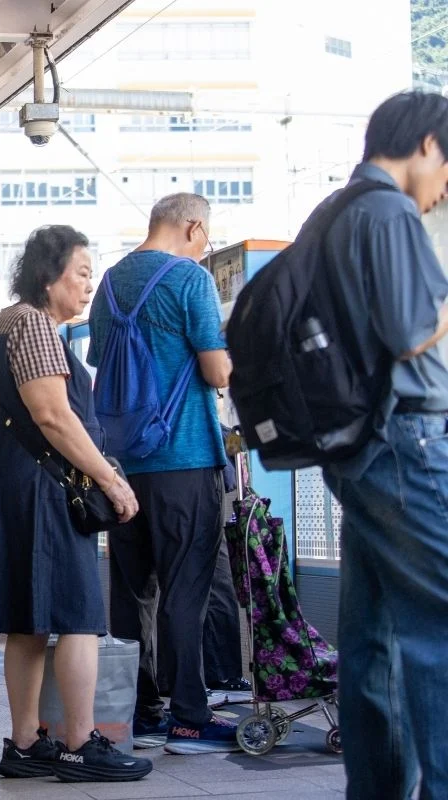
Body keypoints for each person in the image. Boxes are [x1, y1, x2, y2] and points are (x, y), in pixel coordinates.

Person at [0, 225, 151, 782]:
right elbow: (54, 417)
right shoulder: (38, 328)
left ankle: (25, 744)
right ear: (49, 279)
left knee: (28, 621)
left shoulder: (6, 325)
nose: (88, 284)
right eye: (82, 273)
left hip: (14, 479)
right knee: (78, 616)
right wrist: (113, 482)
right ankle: (79, 742)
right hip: (45, 486)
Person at [315, 92, 448, 800]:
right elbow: (407, 328)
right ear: (427, 144)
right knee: (439, 624)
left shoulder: (335, 210)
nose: (444, 185)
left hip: (359, 449)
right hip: (406, 442)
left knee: (373, 639)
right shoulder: (389, 210)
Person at [86, 193, 236, 754]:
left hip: (122, 463)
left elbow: (103, 357)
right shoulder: (189, 279)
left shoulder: (108, 283)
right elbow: (215, 370)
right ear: (194, 227)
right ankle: (191, 719)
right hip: (185, 457)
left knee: (132, 592)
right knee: (186, 588)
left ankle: (141, 711)